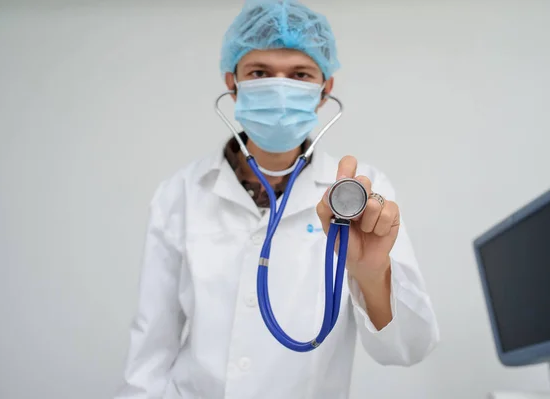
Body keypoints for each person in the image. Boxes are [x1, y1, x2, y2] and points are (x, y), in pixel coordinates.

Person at [115, 1, 439, 398]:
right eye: (260, 73)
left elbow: (407, 349)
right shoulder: (180, 192)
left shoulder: (363, 193)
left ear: (325, 89)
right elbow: (150, 350)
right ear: (232, 83)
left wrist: (371, 275)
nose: (280, 87)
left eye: (300, 74)